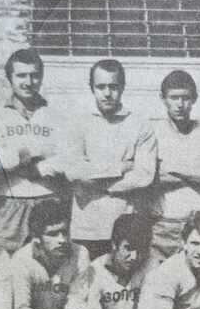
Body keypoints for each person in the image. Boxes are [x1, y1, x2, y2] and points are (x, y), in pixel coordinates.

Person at [65, 59, 158, 260]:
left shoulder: (140, 125)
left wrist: (98, 185)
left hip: (125, 225)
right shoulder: (78, 123)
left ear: (123, 87)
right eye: (101, 87)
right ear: (92, 88)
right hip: (86, 227)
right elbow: (74, 171)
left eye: (113, 87)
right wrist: (120, 168)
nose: (107, 93)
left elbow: (144, 175)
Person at [0, 48, 69, 253]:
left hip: (47, 197)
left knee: (46, 260)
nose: (28, 81)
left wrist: (35, 168)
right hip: (8, 202)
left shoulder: (55, 115)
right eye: (21, 75)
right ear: (10, 78)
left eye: (34, 75)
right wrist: (31, 154)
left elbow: (65, 158)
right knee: (5, 259)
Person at [142, 69, 200, 261]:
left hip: (198, 226)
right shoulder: (153, 132)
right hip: (162, 225)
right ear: (163, 99)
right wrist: (197, 172)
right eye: (174, 98)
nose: (180, 104)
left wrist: (173, 169)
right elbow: (150, 177)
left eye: (185, 98)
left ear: (194, 99)